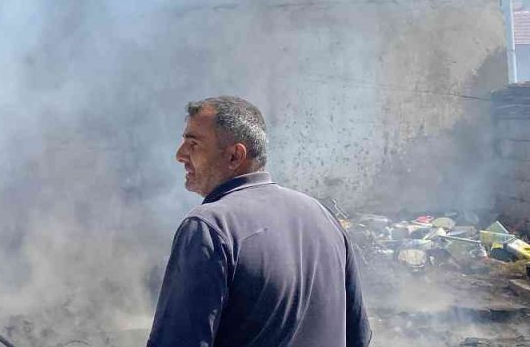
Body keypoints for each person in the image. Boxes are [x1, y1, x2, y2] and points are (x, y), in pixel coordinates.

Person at [147, 96, 370, 347]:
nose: (180, 155)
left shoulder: (209, 226)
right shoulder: (323, 217)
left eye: (193, 143)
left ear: (234, 155)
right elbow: (358, 337)